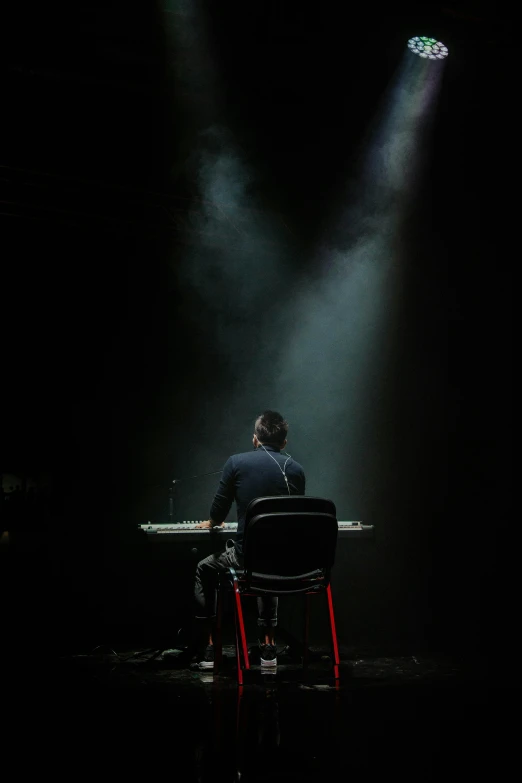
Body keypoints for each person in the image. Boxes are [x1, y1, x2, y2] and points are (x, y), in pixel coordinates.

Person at [188, 410, 306, 670]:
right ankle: (268, 646)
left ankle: (209, 648)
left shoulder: (236, 462)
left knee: (204, 568)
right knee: (268, 566)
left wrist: (213, 523)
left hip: (245, 556)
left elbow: (218, 511)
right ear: (284, 443)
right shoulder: (296, 470)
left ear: (255, 439)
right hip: (286, 561)